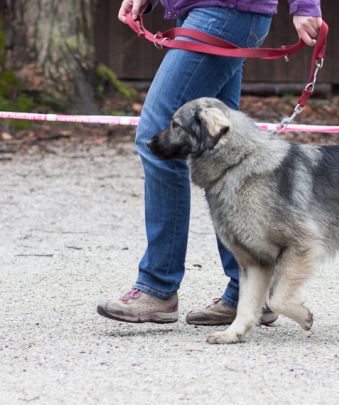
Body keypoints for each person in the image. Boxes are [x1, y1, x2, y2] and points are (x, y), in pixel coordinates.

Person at [97, 0, 323, 325]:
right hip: (214, 11)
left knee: (160, 140)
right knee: (221, 150)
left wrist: (305, 4)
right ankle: (249, 292)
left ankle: (157, 287)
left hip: (224, 10)